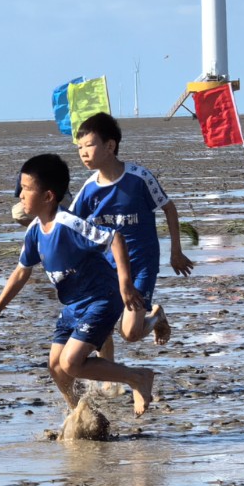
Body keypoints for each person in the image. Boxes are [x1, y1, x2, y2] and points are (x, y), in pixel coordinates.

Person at [0, 153, 154, 415]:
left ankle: (138, 377)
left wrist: (125, 284)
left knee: (71, 362)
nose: (21, 196)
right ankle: (81, 414)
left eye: (26, 190)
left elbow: (115, 239)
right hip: (73, 305)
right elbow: (20, 272)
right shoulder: (35, 230)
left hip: (102, 299)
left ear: (48, 196)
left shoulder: (68, 224)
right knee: (56, 366)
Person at [70, 112, 193, 347]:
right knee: (99, 325)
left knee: (130, 334)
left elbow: (169, 209)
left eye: (89, 145)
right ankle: (108, 382)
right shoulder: (88, 189)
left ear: (110, 146)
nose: (83, 152)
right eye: (79, 148)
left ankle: (156, 315)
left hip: (142, 266)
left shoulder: (139, 178)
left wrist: (175, 252)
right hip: (107, 269)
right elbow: (70, 224)